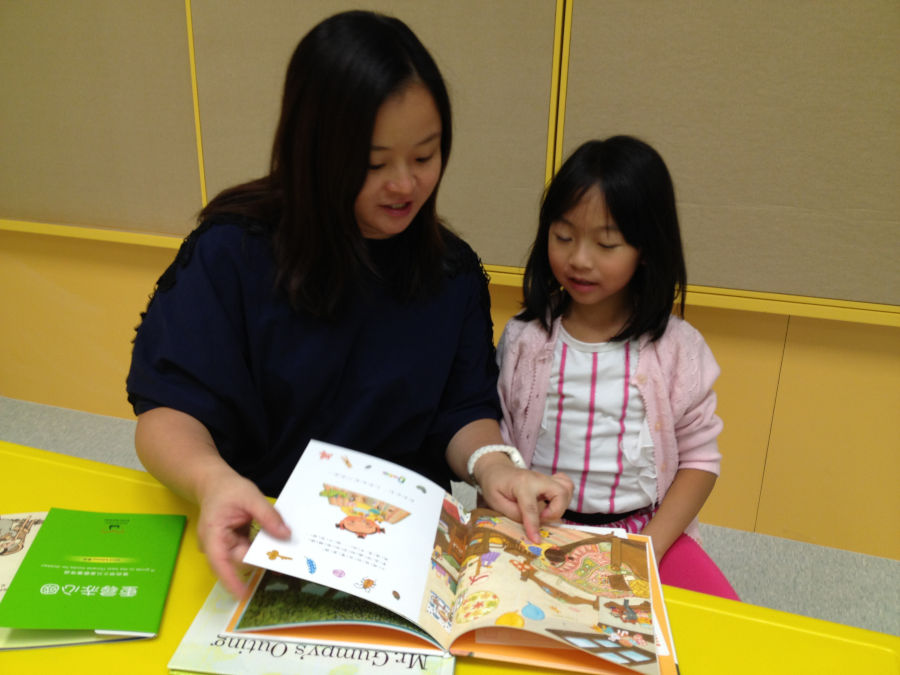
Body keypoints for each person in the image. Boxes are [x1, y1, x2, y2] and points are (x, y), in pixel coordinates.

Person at [127, 10, 571, 597]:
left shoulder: (451, 271)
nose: (406, 186)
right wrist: (212, 482)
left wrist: (496, 466)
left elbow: (462, 410)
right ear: (313, 152)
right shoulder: (232, 252)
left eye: (425, 156)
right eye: (373, 163)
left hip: (399, 552)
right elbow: (168, 409)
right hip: (257, 530)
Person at [496, 136, 739, 599]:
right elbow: (500, 454)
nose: (579, 259)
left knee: (726, 633)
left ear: (646, 249)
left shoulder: (676, 349)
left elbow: (700, 461)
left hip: (646, 534)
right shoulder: (525, 341)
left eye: (606, 244)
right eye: (563, 236)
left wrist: (647, 550)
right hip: (538, 529)